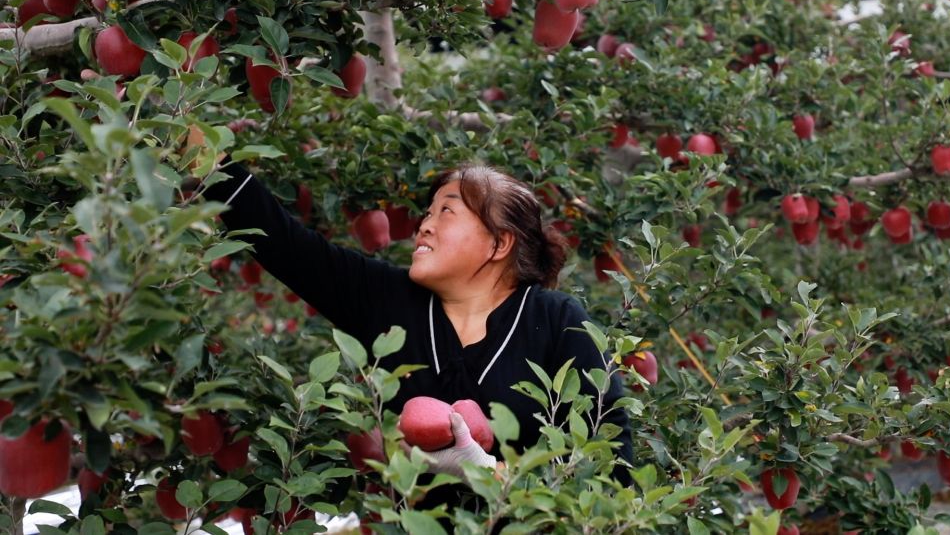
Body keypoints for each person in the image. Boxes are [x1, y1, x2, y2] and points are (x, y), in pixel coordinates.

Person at [200, 156, 634, 503]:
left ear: (499, 244)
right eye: (427, 212)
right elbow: (284, 243)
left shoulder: (557, 320)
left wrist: (491, 474)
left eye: (446, 211)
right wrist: (199, 146)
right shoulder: (390, 299)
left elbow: (614, 475)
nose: (424, 224)